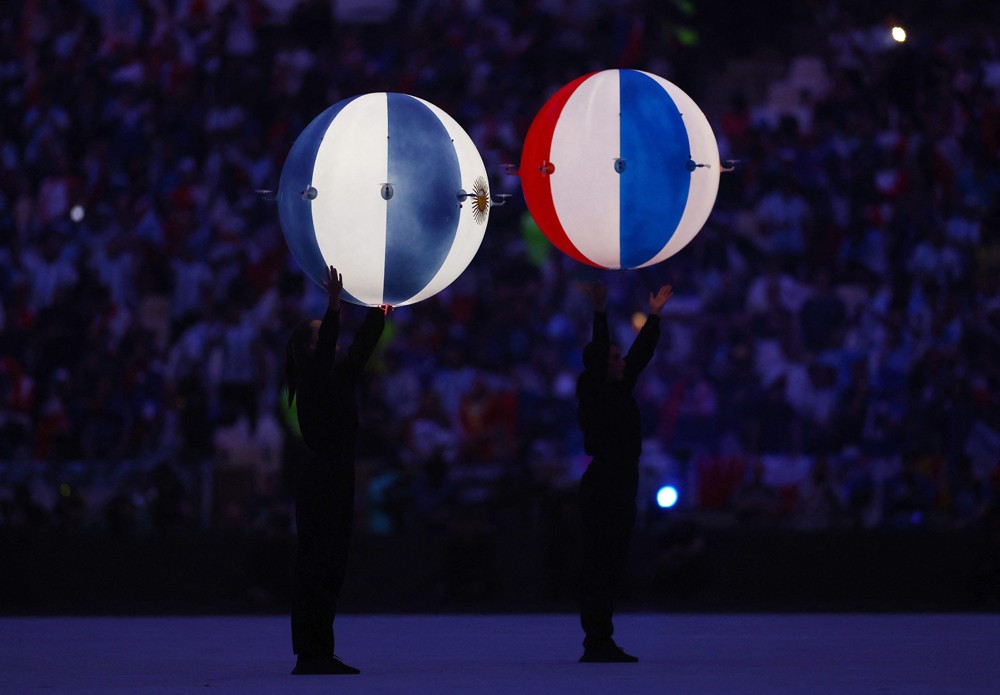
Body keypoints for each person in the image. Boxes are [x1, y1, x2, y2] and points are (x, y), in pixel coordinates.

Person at [285, 266, 386, 675]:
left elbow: (360, 351)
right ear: (310, 348)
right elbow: (330, 348)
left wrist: (380, 311)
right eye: (323, 335)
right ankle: (310, 653)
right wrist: (332, 308)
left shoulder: (336, 379)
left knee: (332, 567)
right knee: (317, 565)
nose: (335, 339)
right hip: (322, 479)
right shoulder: (312, 378)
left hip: (338, 476)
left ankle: (319, 650)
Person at [576, 280, 672, 663]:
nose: (620, 361)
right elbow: (602, 351)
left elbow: (641, 354)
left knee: (611, 564)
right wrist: (599, 312)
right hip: (604, 484)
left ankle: (601, 638)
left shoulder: (619, 389)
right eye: (613, 358)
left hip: (622, 483)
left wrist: (654, 316)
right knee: (599, 564)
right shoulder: (592, 390)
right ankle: (596, 640)